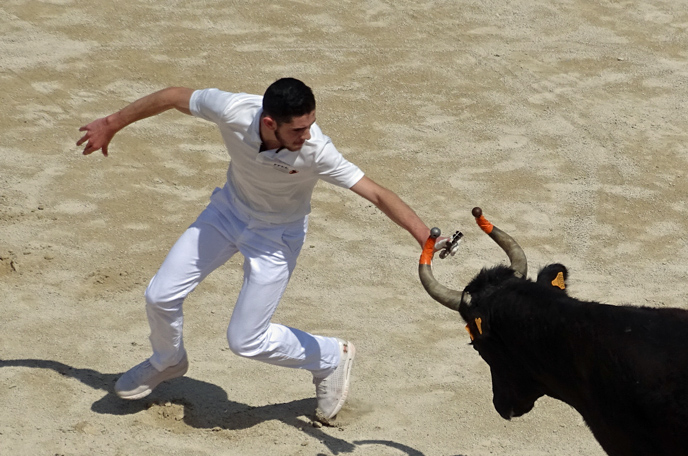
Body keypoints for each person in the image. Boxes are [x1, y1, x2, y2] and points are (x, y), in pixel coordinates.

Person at [76, 78, 457, 424]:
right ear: (269, 121)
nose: (307, 135)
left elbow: (376, 192)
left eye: (310, 125)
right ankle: (168, 360)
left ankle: (330, 356)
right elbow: (173, 96)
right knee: (159, 296)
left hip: (275, 238)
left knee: (246, 341)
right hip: (226, 213)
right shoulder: (234, 110)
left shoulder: (317, 151)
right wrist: (112, 123)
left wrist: (425, 235)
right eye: (299, 128)